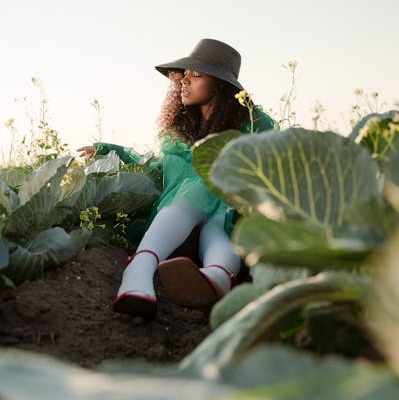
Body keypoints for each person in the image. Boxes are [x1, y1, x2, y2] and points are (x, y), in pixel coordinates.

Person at [78, 38, 276, 319]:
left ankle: (213, 276)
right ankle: (148, 270)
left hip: (231, 222)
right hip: (180, 227)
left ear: (220, 85)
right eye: (184, 75)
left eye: (196, 75)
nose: (184, 81)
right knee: (196, 188)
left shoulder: (252, 125)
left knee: (218, 221)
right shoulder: (180, 131)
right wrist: (111, 150)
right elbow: (158, 166)